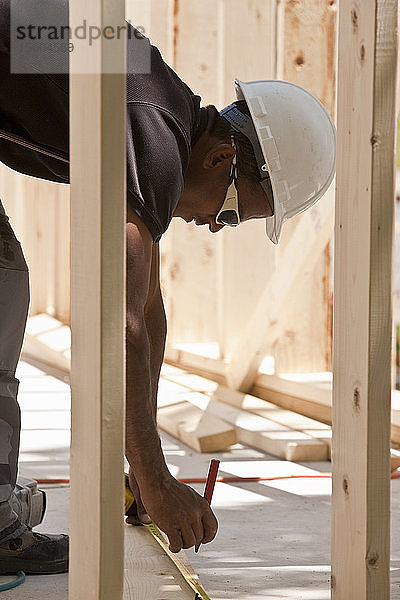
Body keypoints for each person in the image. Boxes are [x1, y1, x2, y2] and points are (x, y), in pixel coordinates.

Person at [0, 0, 335, 575]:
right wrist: (155, 484)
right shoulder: (153, 129)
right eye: (231, 213)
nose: (211, 226)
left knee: (5, 281)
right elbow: (119, 320)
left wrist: (141, 460)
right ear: (224, 158)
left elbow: (146, 307)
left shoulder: (155, 110)